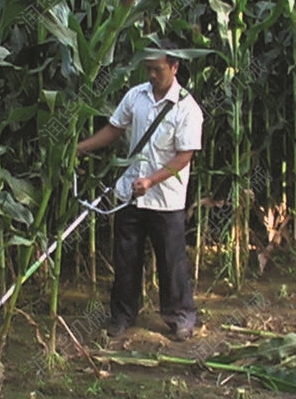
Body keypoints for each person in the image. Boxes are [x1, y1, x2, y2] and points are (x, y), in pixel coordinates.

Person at [77, 40, 203, 341]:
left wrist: (152, 180)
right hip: (130, 195)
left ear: (174, 66)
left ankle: (180, 317)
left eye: (157, 69)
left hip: (166, 199)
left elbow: (185, 156)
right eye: (147, 69)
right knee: (126, 259)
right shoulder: (136, 96)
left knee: (171, 262)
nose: (151, 75)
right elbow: (114, 129)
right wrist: (78, 149)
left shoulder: (187, 107)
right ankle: (122, 316)